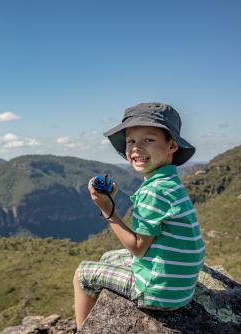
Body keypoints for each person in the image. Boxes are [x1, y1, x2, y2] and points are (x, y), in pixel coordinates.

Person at [73, 102, 205, 330]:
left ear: (172, 145)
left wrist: (107, 209)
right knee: (107, 257)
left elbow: (138, 248)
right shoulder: (170, 182)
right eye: (131, 141)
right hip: (180, 286)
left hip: (159, 291)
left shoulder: (152, 191)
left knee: (82, 273)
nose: (136, 148)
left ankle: (83, 329)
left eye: (148, 140)